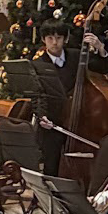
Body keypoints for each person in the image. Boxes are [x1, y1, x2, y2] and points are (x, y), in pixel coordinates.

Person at [33, 25, 76, 176]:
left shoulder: (76, 57)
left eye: (59, 38)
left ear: (65, 39)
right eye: (50, 38)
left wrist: (100, 48)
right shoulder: (38, 64)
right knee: (51, 164)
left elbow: (99, 66)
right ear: (43, 40)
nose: (55, 42)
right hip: (52, 122)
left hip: (76, 119)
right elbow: (38, 95)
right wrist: (42, 116)